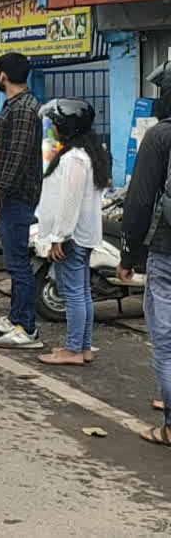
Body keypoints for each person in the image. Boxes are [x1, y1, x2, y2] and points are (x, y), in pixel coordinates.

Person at [34, 100, 107, 366]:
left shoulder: (76, 159)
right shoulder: (83, 154)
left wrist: (59, 237)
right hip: (79, 235)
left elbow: (70, 201)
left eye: (54, 124)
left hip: (72, 237)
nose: (51, 128)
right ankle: (83, 347)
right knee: (81, 291)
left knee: (75, 293)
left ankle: (75, 348)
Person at [119, 88, 171, 448]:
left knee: (167, 343)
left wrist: (129, 255)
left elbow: (139, 201)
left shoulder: (161, 135)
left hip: (167, 252)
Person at [0, 53, 44, 349]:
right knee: (13, 260)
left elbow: (15, 157)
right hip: (14, 195)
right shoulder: (18, 105)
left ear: (2, 74)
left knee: (18, 262)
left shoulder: (23, 109)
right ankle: (14, 317)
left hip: (17, 196)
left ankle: (27, 327)